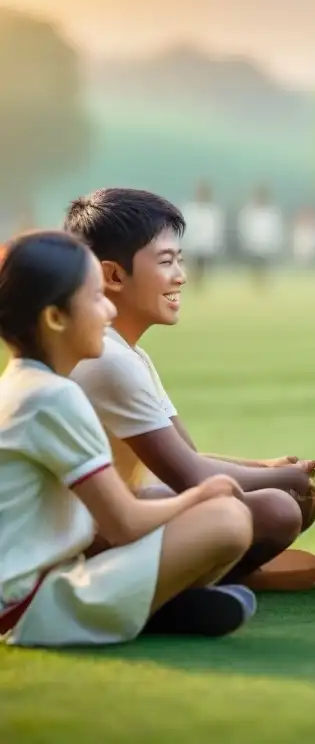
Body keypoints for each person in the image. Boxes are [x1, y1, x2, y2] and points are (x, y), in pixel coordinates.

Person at [0, 230, 256, 645]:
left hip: (33, 591)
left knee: (204, 510)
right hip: (35, 606)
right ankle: (151, 609)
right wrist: (201, 495)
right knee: (226, 519)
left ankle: (158, 606)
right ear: (55, 318)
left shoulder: (23, 386)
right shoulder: (52, 397)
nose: (107, 311)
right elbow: (123, 525)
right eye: (96, 297)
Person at [63, 188, 315, 593]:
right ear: (113, 275)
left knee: (286, 494)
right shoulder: (107, 360)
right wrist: (279, 480)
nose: (180, 276)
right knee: (277, 509)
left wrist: (267, 469)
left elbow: (187, 455)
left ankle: (204, 570)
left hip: (107, 515)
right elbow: (191, 476)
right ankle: (185, 582)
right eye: (166, 262)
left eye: (180, 260)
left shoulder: (128, 353)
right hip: (74, 536)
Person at [180, 181, 225, 289]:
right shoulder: (190, 209)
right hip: (193, 245)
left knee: (202, 269)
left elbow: (215, 230)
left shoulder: (213, 211)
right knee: (193, 268)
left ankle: (199, 286)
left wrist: (216, 244)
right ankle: (194, 285)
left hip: (206, 246)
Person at [238, 185, 284, 288]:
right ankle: (256, 284)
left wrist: (275, 243)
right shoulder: (249, 211)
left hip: (267, 246)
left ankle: (265, 284)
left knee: (266, 267)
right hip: (254, 246)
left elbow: (276, 229)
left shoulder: (272, 212)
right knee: (255, 267)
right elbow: (245, 229)